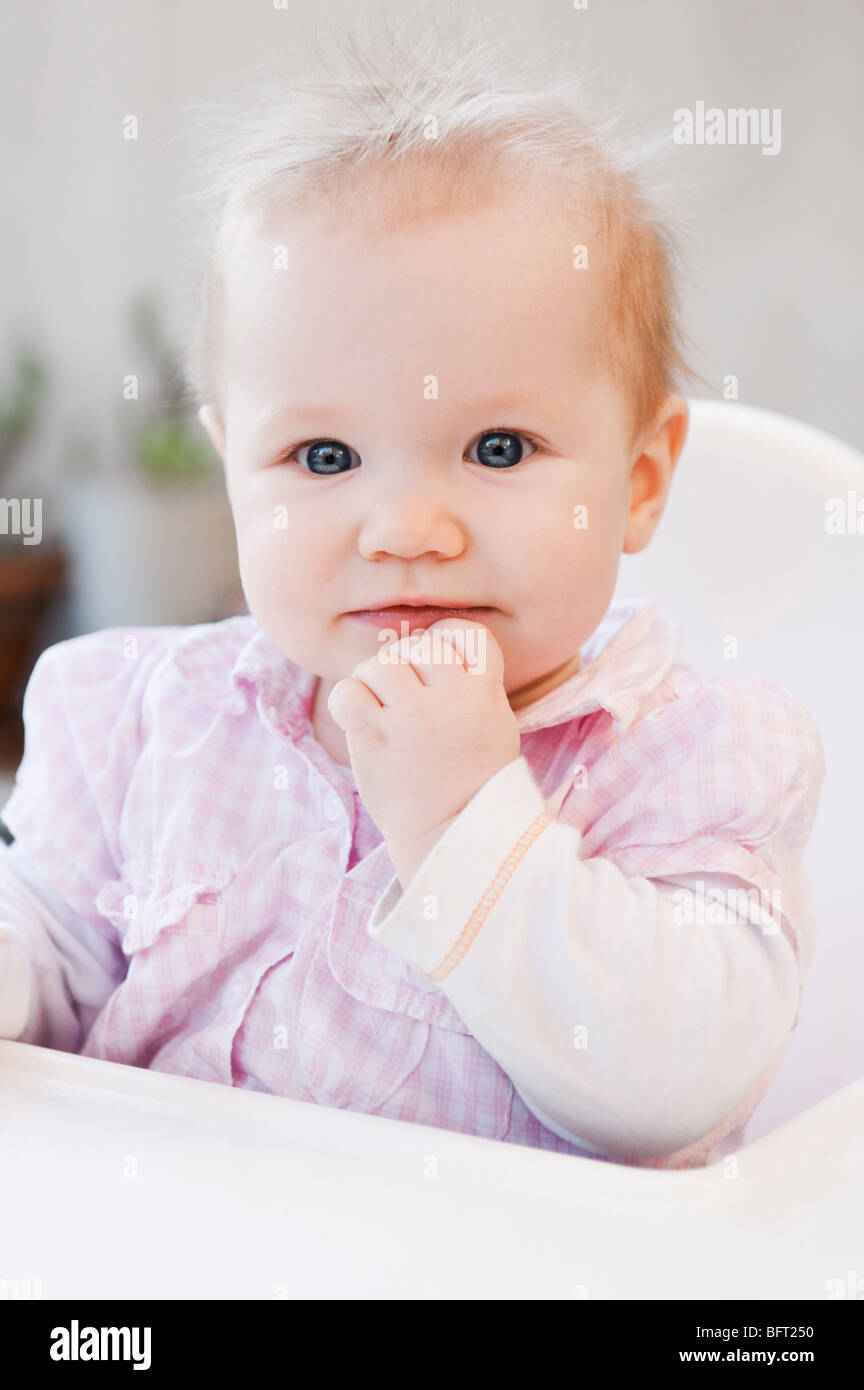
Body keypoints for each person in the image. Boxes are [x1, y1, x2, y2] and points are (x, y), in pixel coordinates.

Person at [0, 18, 824, 1168]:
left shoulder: (684, 764)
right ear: (235, 469)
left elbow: (677, 1084)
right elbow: (58, 959)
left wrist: (465, 824)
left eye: (496, 448)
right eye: (325, 459)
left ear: (637, 482)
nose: (408, 532)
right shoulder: (145, 722)